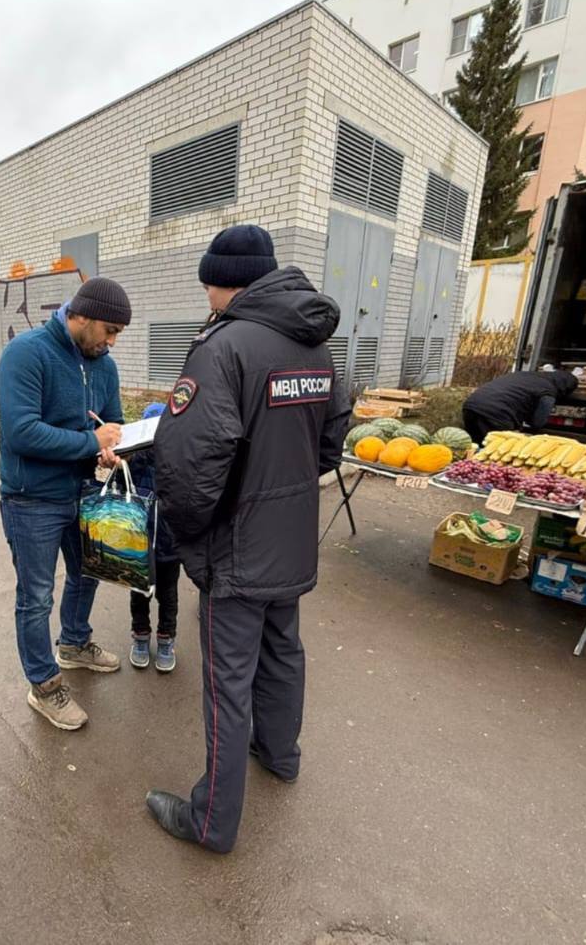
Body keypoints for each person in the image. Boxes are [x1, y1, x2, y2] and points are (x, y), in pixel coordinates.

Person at [146, 224, 349, 854]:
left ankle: (211, 823)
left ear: (221, 279)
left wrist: (188, 530)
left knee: (225, 684)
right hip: (290, 538)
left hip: (237, 548)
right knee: (283, 651)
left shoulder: (223, 347)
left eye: (206, 279)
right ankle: (279, 755)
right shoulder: (315, 346)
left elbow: (189, 461)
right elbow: (331, 439)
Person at [0, 276, 131, 731]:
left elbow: (113, 420)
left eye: (117, 335)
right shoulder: (27, 353)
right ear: (82, 315)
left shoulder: (103, 363)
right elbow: (21, 432)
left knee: (88, 572)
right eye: (108, 331)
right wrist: (89, 441)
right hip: (31, 498)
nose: (111, 342)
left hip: (83, 491)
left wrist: (116, 443)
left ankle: (73, 643)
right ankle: (44, 684)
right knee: (35, 596)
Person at [127, 402, 180, 672]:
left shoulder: (180, 464)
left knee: (168, 596)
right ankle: (140, 636)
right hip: (139, 545)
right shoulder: (134, 463)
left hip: (171, 547)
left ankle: (166, 638)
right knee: (139, 594)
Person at [461, 369, 580, 443]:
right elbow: (537, 422)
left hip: (471, 405)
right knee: (498, 449)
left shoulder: (527, 375)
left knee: (475, 445)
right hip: (497, 413)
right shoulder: (548, 391)